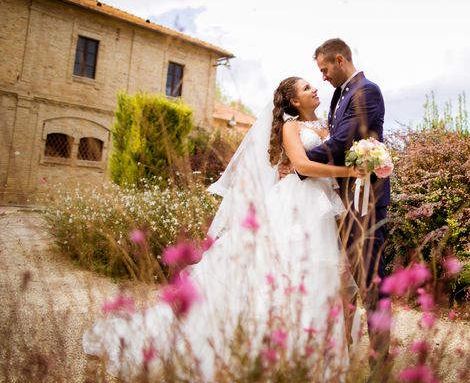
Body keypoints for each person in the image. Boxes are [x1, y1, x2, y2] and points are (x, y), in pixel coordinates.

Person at [83, 76, 362, 381]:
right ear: (295, 101)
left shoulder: (328, 126)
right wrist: (351, 169)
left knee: (320, 275)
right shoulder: (290, 127)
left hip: (322, 207)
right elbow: (303, 166)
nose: (314, 89)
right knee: (284, 271)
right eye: (307, 88)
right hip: (294, 204)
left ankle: (314, 358)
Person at [303, 38, 391, 378]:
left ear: (340, 59)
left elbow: (340, 144)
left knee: (372, 281)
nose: (323, 77)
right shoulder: (342, 94)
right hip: (343, 199)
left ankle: (379, 365)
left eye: (325, 69)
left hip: (365, 201)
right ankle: (343, 353)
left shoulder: (366, 91)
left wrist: (296, 160)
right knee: (347, 280)